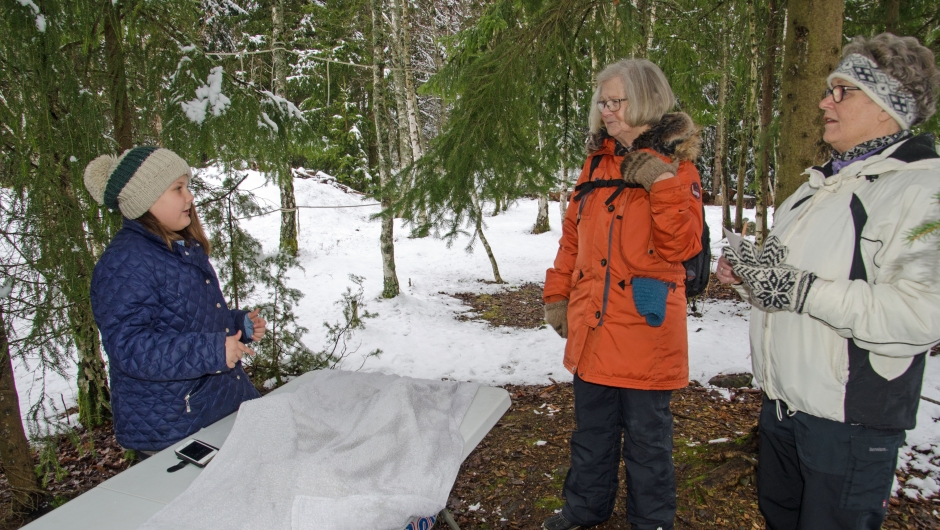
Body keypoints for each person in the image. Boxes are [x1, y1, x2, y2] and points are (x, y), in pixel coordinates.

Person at [716, 33, 940, 529]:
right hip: (782, 408)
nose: (824, 101)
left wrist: (802, 289)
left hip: (850, 425)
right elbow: (790, 288)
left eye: (842, 91)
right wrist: (748, 279)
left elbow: (922, 314)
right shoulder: (817, 186)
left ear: (888, 105)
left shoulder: (924, 189)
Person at [542, 59, 704, 530]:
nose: (607, 110)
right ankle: (584, 510)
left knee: (649, 441)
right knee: (590, 432)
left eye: (617, 101)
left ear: (647, 99)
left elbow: (682, 247)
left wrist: (659, 182)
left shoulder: (678, 165)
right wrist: (558, 293)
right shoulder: (597, 162)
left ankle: (651, 521)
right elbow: (573, 236)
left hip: (643, 326)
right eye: (603, 102)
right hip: (593, 321)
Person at [86, 146, 264, 454]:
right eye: (178, 188)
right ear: (146, 199)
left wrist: (238, 325)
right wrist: (212, 351)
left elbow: (189, 318)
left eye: (188, 187)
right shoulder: (126, 263)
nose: (190, 197)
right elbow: (130, 346)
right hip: (173, 426)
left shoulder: (179, 248)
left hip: (213, 409)